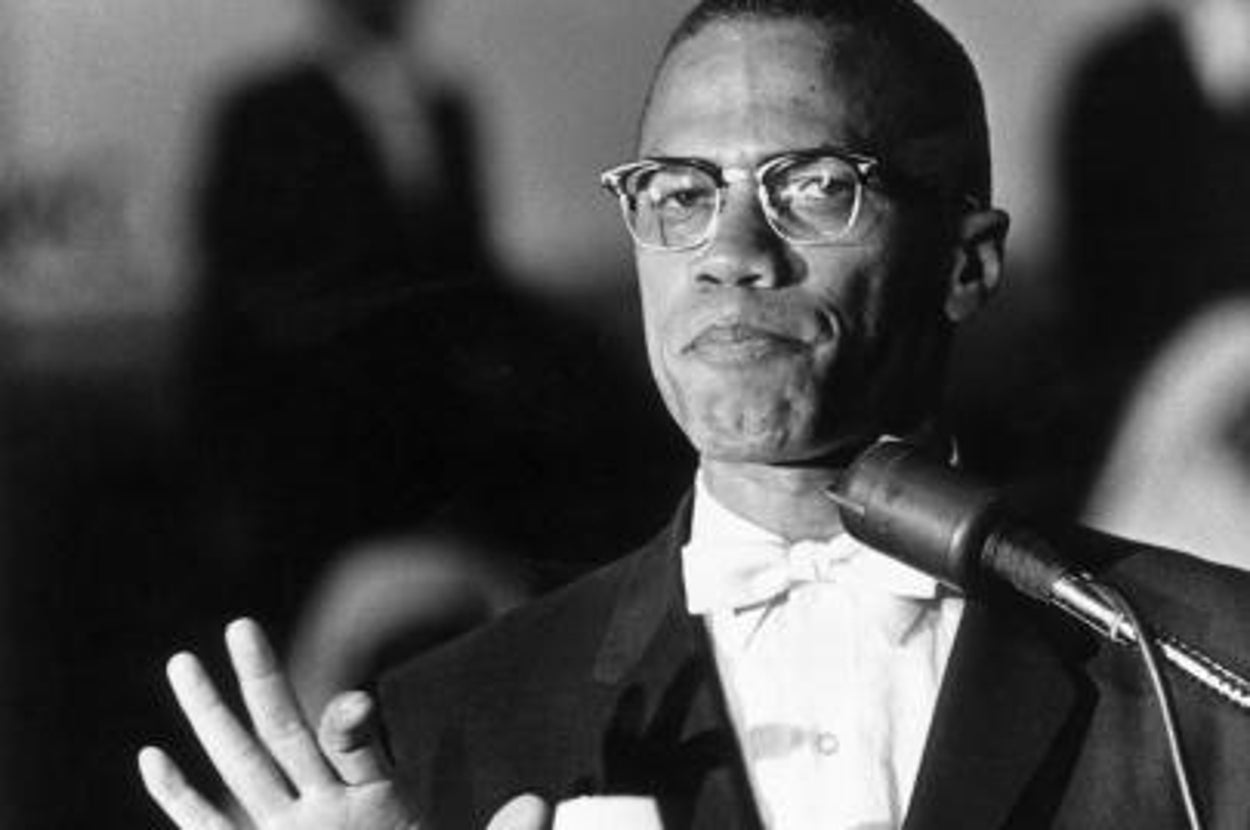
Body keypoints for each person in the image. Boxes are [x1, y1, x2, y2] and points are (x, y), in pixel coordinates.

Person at [139, 1, 1250, 828]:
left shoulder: (1210, 663)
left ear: (966, 264)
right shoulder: (449, 723)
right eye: (679, 194)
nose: (729, 253)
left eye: (813, 186)